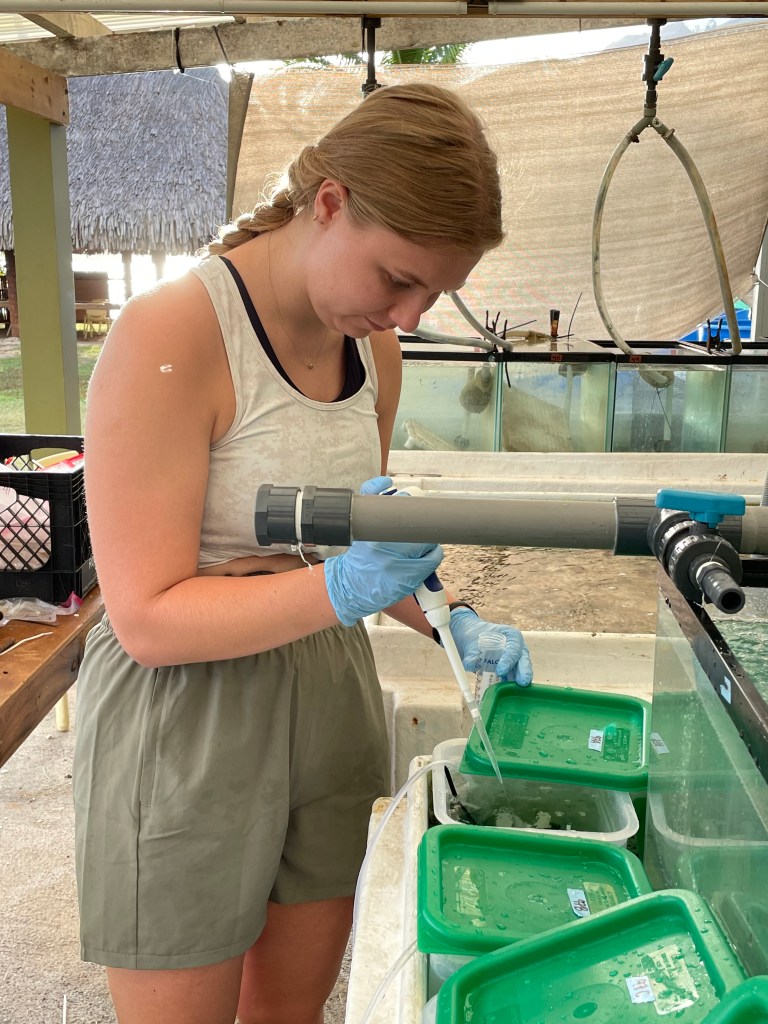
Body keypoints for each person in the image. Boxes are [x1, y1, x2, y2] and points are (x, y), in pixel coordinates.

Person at [73, 81, 533, 1024]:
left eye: (432, 294)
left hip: (325, 690)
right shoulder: (173, 335)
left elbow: (363, 543)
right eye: (397, 278)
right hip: (188, 715)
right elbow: (148, 617)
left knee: (293, 1011)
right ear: (329, 204)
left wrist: (444, 614)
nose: (408, 316)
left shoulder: (377, 351)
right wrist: (345, 586)